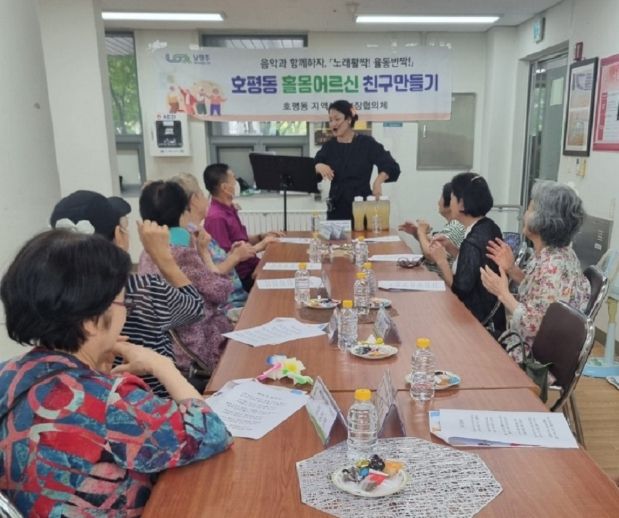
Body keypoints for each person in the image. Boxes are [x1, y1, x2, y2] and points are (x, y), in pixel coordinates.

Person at [0, 229, 232, 516]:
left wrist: (96, 371)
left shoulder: (8, 372)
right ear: (91, 322)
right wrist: (162, 365)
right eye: (123, 303)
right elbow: (212, 432)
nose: (126, 312)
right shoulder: (111, 402)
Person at [50, 190, 205, 396]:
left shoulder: (54, 294)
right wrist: (162, 257)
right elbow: (195, 308)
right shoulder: (141, 289)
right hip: (154, 396)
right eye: (123, 226)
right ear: (119, 236)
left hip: (88, 393)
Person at [480, 180, 590, 361]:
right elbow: (541, 294)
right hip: (525, 344)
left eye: (530, 209)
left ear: (543, 220)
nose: (524, 214)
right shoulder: (557, 254)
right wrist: (512, 269)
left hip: (531, 358)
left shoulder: (552, 267)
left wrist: (502, 293)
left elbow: (534, 326)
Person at [139, 181, 233, 376]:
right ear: (184, 208)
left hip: (162, 344)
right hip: (194, 348)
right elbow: (220, 292)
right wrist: (205, 254)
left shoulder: (146, 253)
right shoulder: (182, 253)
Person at [426, 172, 505, 332]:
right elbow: (475, 265)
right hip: (494, 315)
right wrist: (451, 248)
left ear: (462, 204)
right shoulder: (489, 226)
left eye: (452, 198)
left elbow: (459, 291)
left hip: (477, 323)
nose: (450, 204)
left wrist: (441, 261)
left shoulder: (472, 241)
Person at [171, 172, 256, 318]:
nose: (207, 199)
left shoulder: (195, 229)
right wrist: (235, 257)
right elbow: (207, 279)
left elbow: (212, 264)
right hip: (226, 309)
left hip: (236, 298)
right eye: (202, 194)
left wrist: (231, 254)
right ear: (194, 199)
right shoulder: (187, 236)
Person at [314, 100, 401, 221]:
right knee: (336, 234)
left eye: (337, 119)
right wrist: (318, 166)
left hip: (362, 207)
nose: (333, 124)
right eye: (330, 120)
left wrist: (378, 182)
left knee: (362, 232)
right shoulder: (329, 147)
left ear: (349, 119)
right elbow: (314, 166)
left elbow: (391, 165)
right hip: (336, 209)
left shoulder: (367, 143)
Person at [203, 162, 283, 292]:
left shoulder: (229, 208)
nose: (237, 182)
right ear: (225, 187)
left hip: (253, 266)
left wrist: (262, 236)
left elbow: (241, 239)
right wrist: (261, 245)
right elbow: (227, 259)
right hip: (242, 278)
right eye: (233, 179)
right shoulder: (216, 218)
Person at [399, 182, 466, 275]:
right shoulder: (453, 225)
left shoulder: (456, 226)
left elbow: (431, 255)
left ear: (450, 204)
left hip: (438, 279)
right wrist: (417, 233)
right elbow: (435, 246)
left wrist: (421, 232)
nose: (438, 202)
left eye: (441, 197)